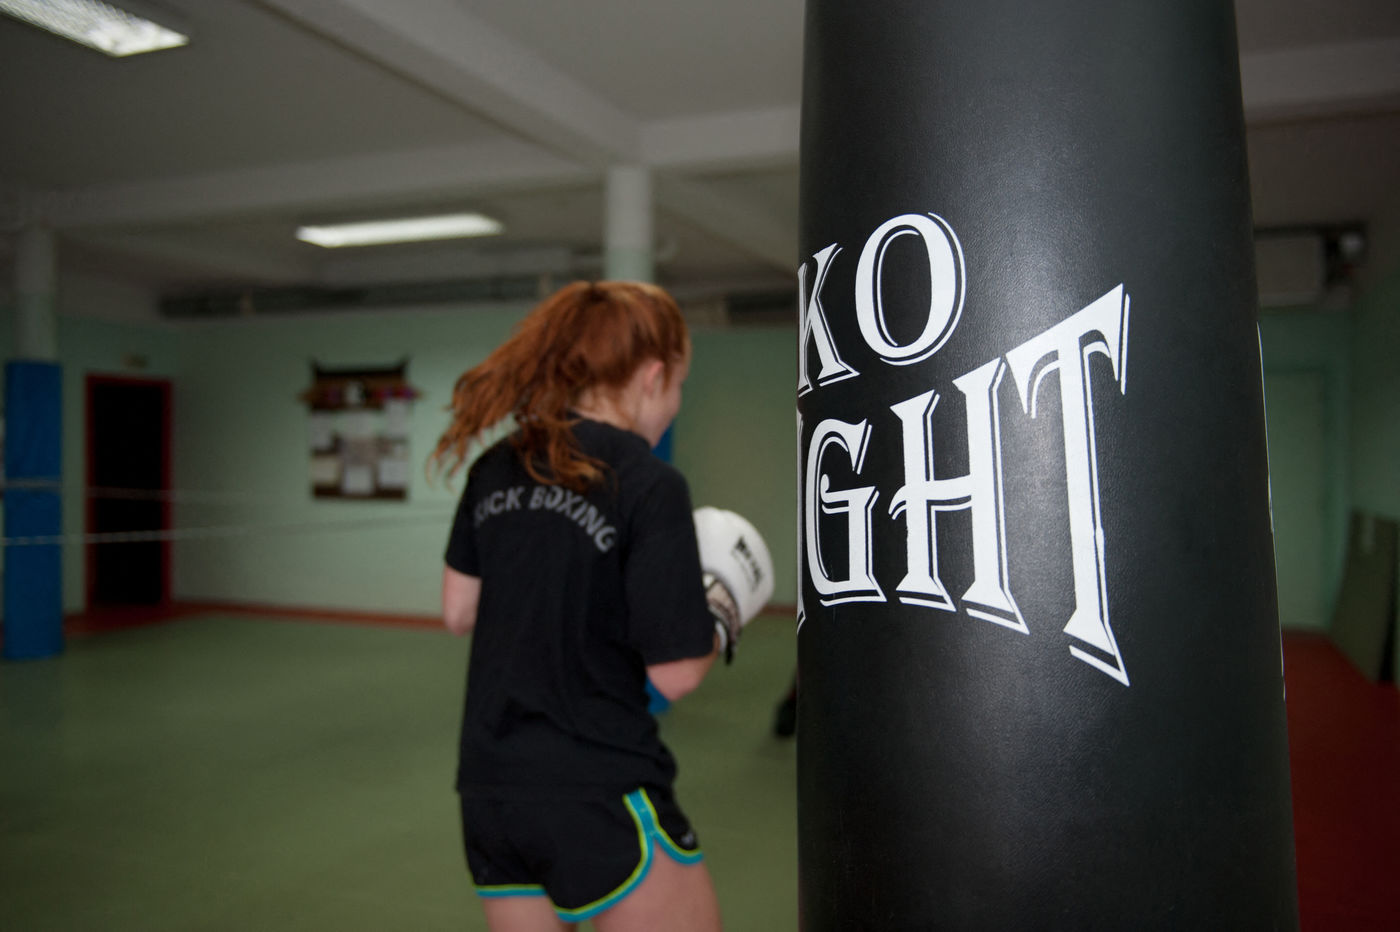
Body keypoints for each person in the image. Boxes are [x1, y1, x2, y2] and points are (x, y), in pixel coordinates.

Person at [431, 280, 724, 932]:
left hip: (491, 788)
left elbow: (457, 610)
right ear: (652, 376)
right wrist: (719, 614)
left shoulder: (496, 466)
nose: (675, 403)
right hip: (597, 784)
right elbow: (676, 673)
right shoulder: (649, 483)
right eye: (679, 385)